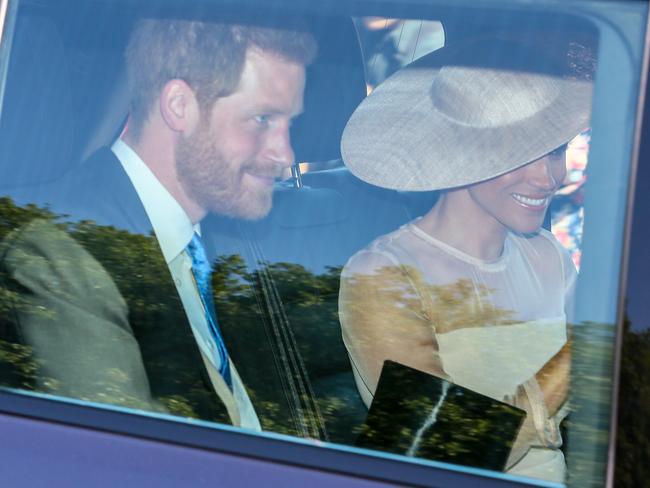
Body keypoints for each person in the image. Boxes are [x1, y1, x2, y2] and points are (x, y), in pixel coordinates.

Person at [0, 15, 316, 432]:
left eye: (289, 123)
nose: (286, 155)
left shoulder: (228, 243)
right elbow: (122, 463)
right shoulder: (58, 256)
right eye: (262, 120)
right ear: (179, 106)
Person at [338, 39, 592, 482]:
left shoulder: (547, 256)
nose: (550, 176)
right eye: (519, 152)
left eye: (555, 149)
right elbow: (443, 454)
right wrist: (589, 349)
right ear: (459, 151)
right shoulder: (383, 276)